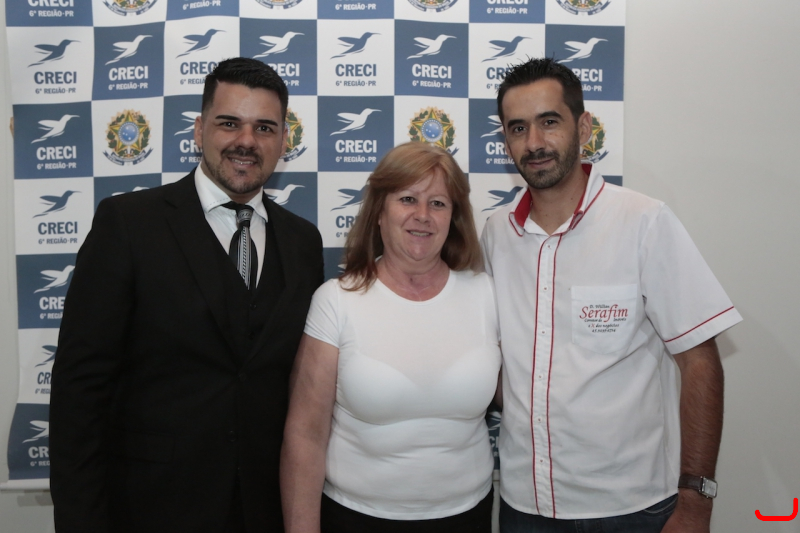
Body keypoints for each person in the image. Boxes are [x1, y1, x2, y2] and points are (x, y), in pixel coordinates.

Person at [49, 57, 324, 533]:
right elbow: (79, 392)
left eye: (264, 128)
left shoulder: (303, 241)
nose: (246, 140)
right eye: (228, 123)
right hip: (150, 509)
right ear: (199, 130)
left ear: (283, 141)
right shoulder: (128, 224)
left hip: (266, 510)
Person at [481, 58, 742, 533]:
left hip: (634, 510)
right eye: (518, 128)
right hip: (525, 507)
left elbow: (700, 362)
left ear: (583, 127)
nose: (534, 142)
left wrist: (696, 501)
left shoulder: (644, 222)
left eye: (549, 122)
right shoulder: (497, 234)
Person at [280, 142, 501, 533]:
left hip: (468, 517)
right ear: (379, 212)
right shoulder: (337, 301)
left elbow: (522, 397)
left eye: (438, 203)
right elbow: (305, 436)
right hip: (356, 519)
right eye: (407, 199)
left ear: (453, 217)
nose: (423, 215)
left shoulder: (486, 294)